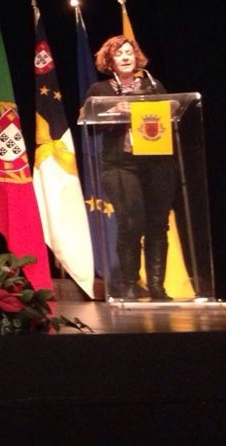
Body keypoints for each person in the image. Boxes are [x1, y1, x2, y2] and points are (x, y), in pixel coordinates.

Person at [84, 35, 175, 300]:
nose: (125, 57)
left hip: (157, 164)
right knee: (131, 222)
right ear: (109, 60)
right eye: (119, 53)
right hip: (120, 166)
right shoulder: (100, 90)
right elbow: (89, 125)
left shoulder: (153, 86)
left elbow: (171, 114)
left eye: (129, 52)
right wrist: (114, 110)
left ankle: (157, 288)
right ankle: (129, 285)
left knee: (158, 224)